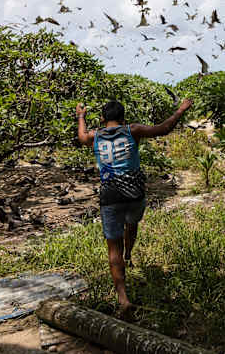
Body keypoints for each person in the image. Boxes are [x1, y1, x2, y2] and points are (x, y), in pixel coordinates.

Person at [76, 98, 192, 312]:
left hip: (110, 195)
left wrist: (81, 116)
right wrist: (180, 110)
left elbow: (82, 137)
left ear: (102, 118)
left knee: (113, 247)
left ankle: (123, 299)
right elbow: (163, 129)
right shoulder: (133, 130)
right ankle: (129, 254)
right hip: (134, 193)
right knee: (132, 222)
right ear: (122, 118)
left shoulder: (96, 135)